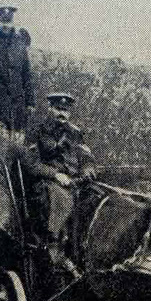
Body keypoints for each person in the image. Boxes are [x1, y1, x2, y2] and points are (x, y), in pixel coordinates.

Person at [23, 93, 96, 279]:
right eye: (58, 109)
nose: (62, 113)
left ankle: (88, 247)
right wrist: (55, 175)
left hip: (75, 183)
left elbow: (87, 159)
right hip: (46, 183)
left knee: (98, 197)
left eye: (65, 110)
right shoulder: (37, 131)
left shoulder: (76, 133)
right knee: (59, 195)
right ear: (50, 108)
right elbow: (31, 164)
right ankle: (54, 247)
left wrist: (87, 171)